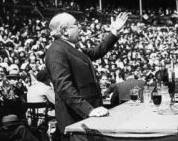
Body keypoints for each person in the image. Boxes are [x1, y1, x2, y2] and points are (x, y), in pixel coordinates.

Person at [45, 12, 128, 140]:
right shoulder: (57, 50)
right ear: (64, 31)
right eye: (76, 25)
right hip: (75, 119)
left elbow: (97, 51)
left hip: (87, 116)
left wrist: (113, 32)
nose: (80, 27)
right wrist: (88, 110)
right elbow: (64, 86)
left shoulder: (71, 47)